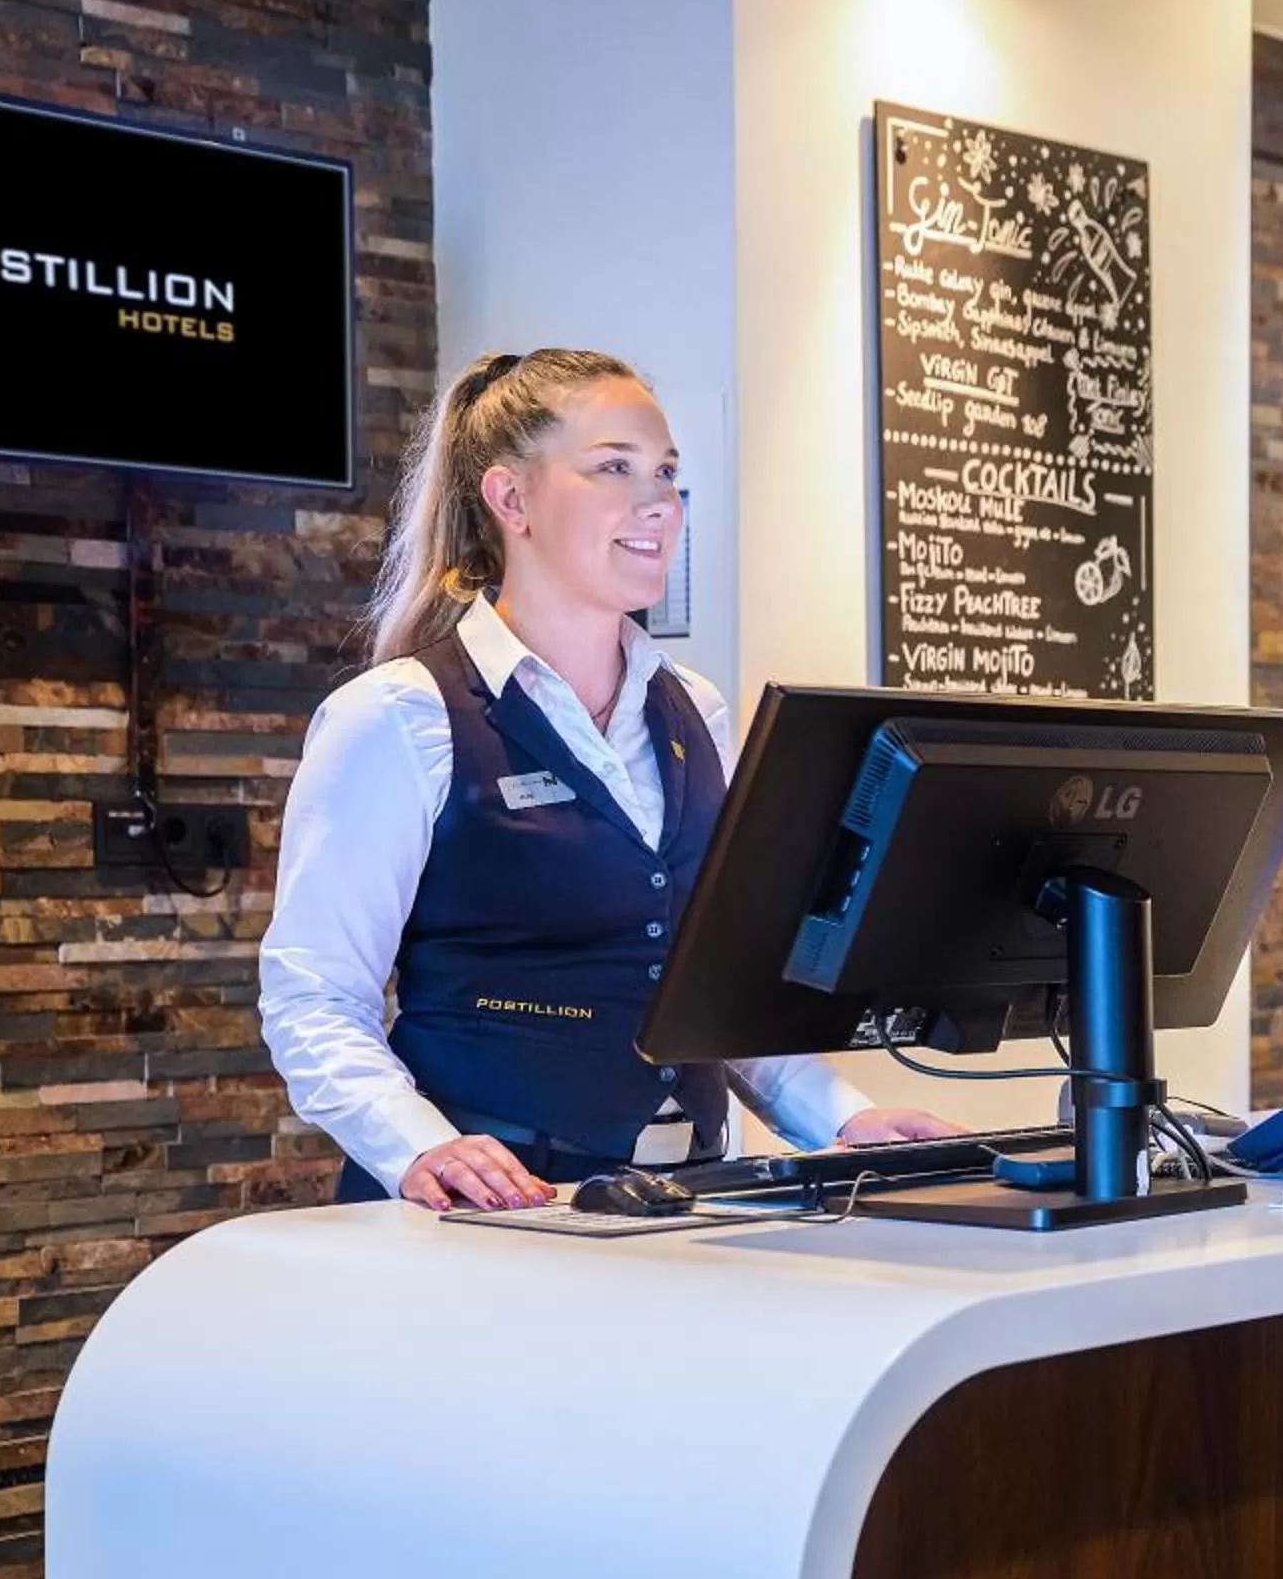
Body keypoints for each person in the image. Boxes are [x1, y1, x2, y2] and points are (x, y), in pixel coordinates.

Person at [260, 349, 957, 1210]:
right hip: (477, 1227)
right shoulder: (400, 716)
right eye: (613, 469)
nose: (656, 503)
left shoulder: (694, 712)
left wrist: (844, 1121)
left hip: (679, 1205)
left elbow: (714, 991)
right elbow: (314, 999)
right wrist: (421, 1148)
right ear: (512, 500)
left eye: (665, 473)